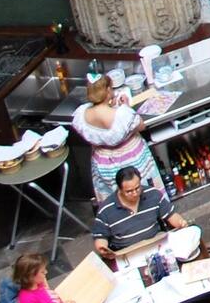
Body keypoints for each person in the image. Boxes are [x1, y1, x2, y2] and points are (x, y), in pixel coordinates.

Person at [71, 74, 166, 207]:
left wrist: (114, 106)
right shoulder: (122, 115)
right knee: (141, 194)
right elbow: (140, 125)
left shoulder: (82, 114)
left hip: (103, 163)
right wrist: (126, 107)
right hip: (131, 159)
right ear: (108, 90)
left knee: (115, 200)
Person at [92, 165, 186, 259]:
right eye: (129, 191)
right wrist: (102, 248)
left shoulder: (153, 194)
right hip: (127, 255)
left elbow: (171, 215)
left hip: (157, 246)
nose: (135, 193)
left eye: (137, 188)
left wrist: (181, 223)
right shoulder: (106, 210)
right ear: (120, 190)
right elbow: (100, 237)